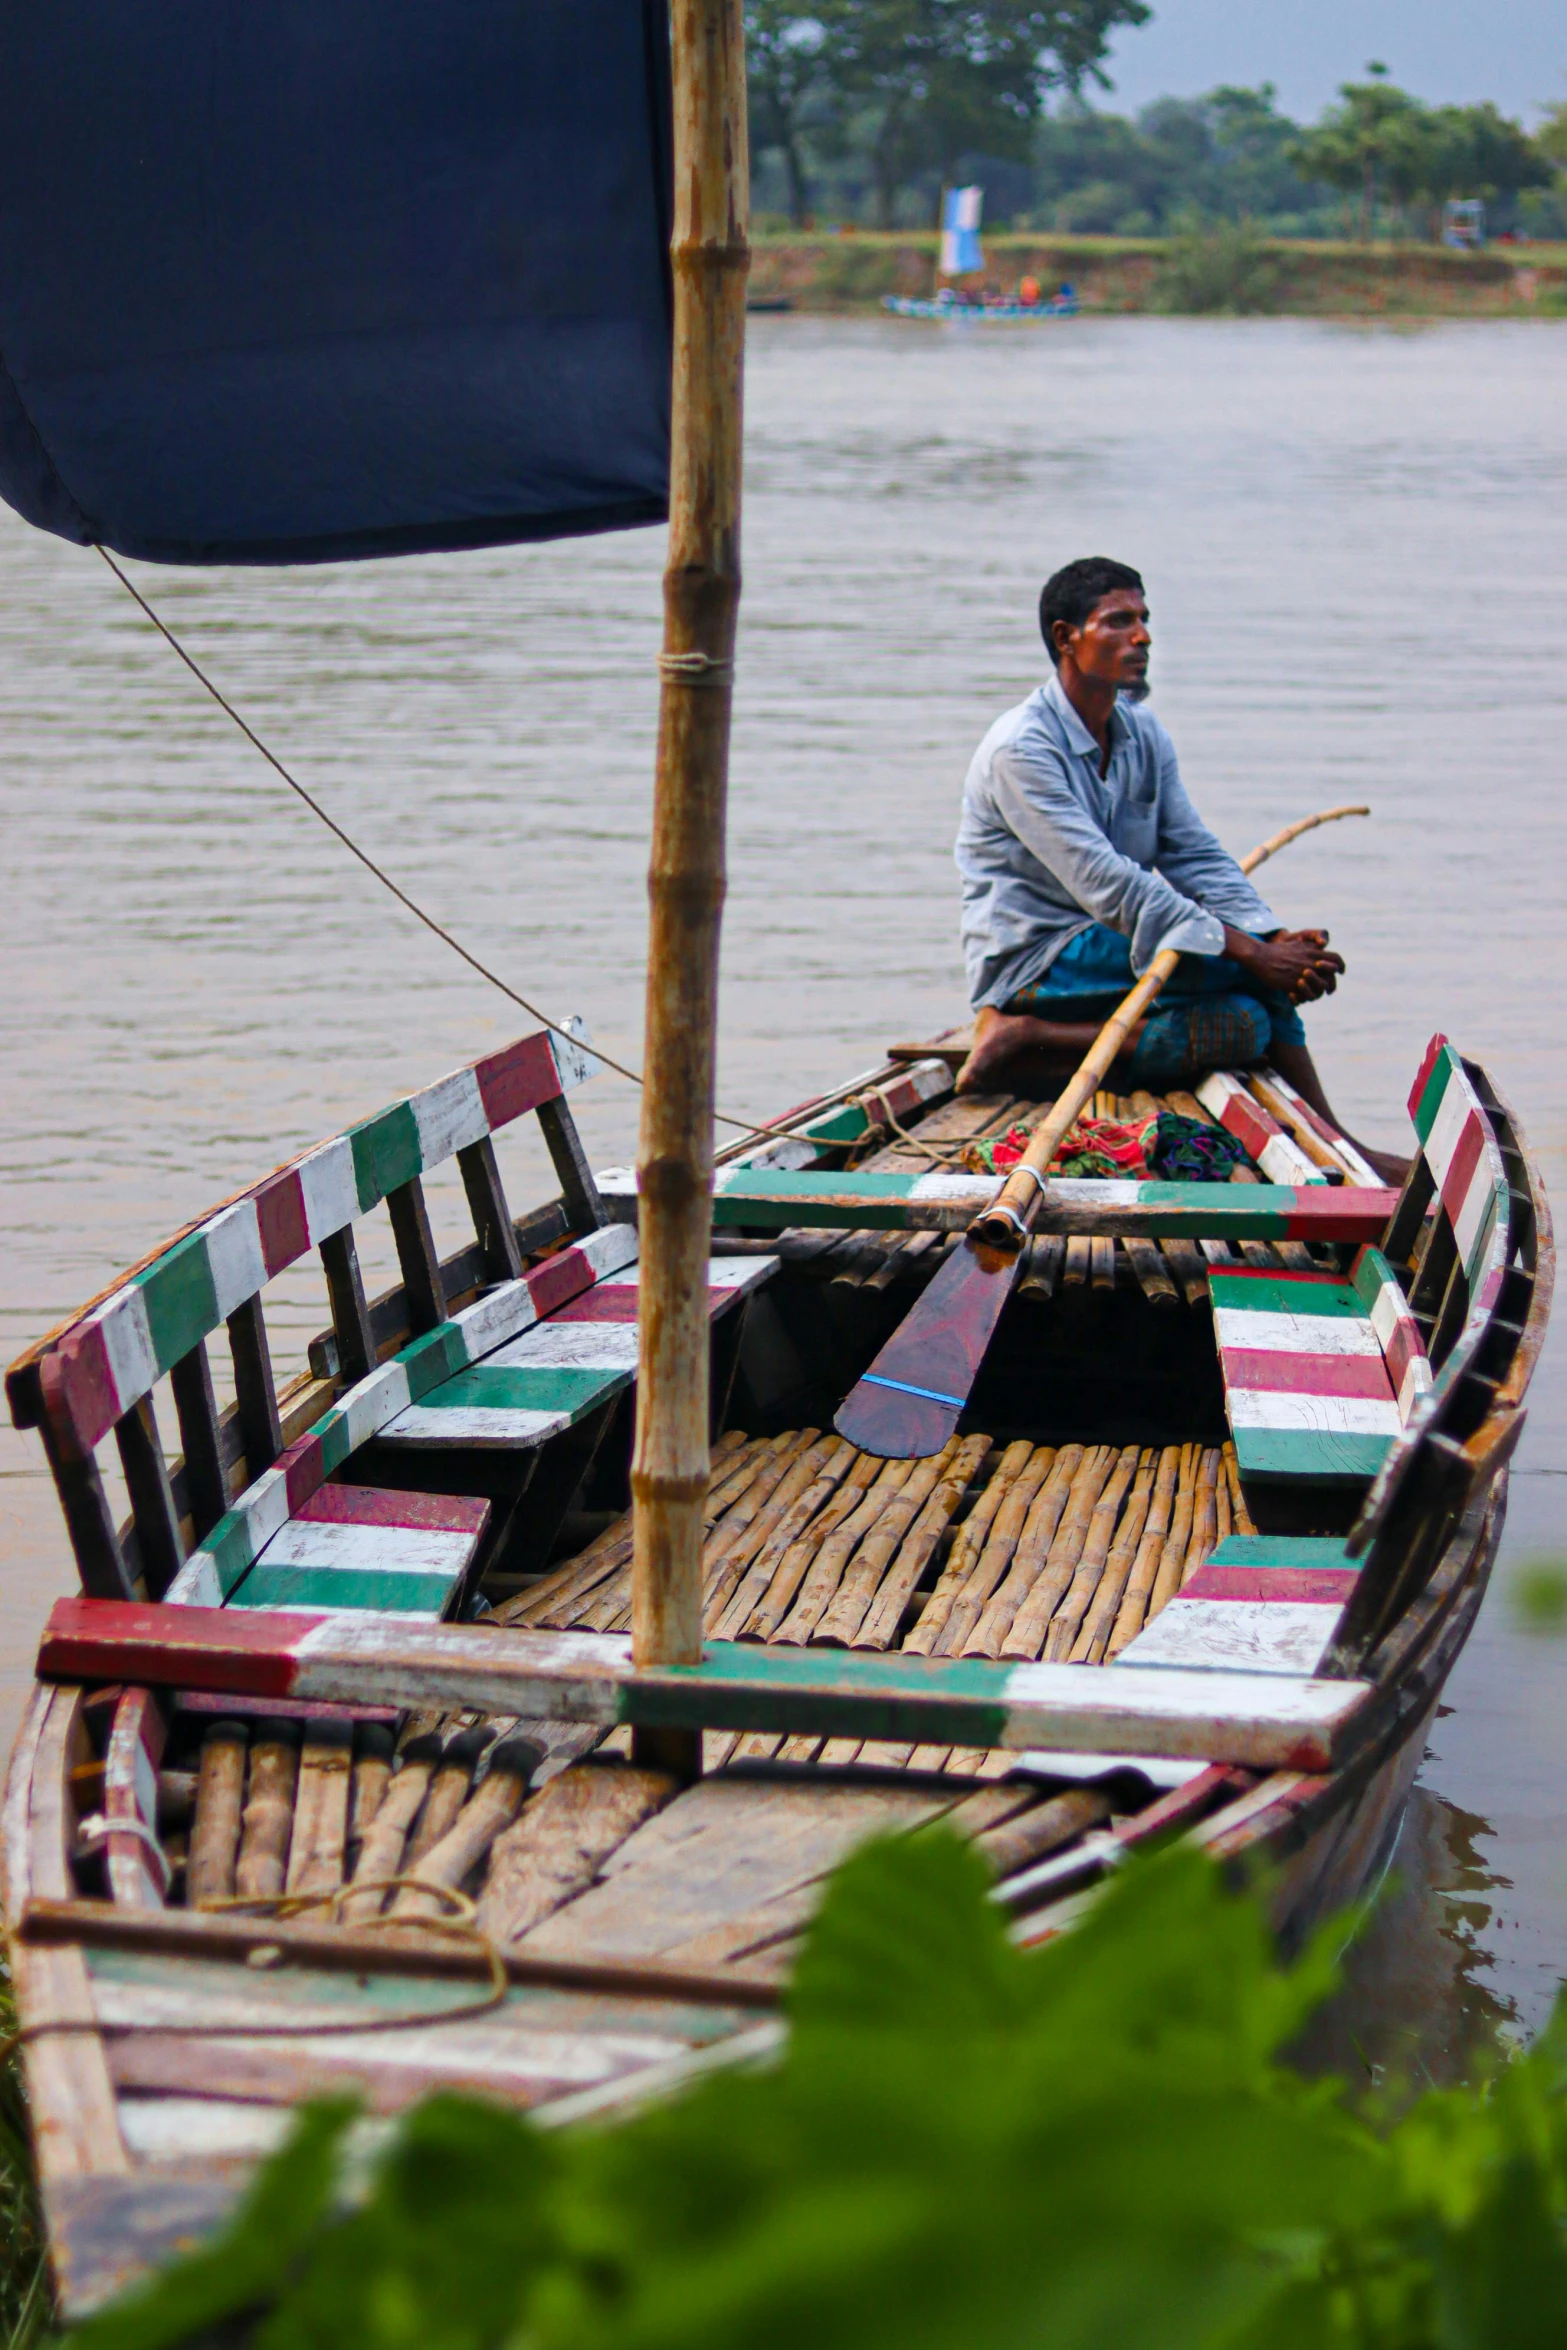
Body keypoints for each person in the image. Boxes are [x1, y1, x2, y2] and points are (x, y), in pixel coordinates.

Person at [953, 556, 1406, 1181]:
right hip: (1041, 957)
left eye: (1143, 620)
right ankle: (1344, 1146)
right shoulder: (1020, 749)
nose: (1142, 637)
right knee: (1248, 993)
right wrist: (1251, 955)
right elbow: (1109, 885)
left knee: (1245, 1022)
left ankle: (1026, 1044)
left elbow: (1193, 853)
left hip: (1117, 940)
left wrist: (1271, 935)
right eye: (1118, 622)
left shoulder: (1142, 734)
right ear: (1066, 638)